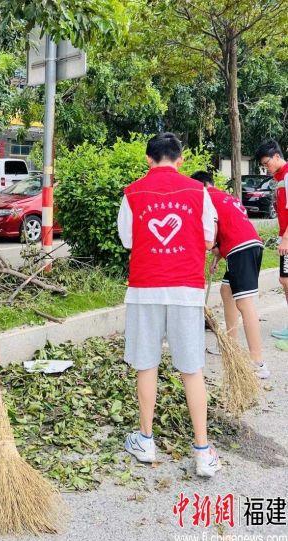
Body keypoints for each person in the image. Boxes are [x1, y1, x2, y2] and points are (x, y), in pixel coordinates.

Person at [117, 132, 221, 477]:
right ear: (180, 160)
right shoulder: (199, 192)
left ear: (148, 159)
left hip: (145, 289)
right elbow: (208, 239)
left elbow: (128, 240)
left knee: (146, 365)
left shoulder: (132, 193)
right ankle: (203, 451)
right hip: (187, 292)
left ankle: (146, 440)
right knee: (192, 370)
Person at [191, 171, 268, 378]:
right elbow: (229, 227)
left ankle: (257, 362)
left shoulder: (205, 197)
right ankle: (230, 345)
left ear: (201, 186)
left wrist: (213, 248)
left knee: (244, 303)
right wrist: (217, 257)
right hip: (250, 246)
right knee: (227, 291)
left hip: (240, 250)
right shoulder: (226, 197)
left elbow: (213, 230)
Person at [255, 139, 288, 352]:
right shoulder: (280, 178)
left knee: (285, 279)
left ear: (277, 156)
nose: (266, 167)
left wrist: (286, 239)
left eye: (267, 162)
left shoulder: (287, 176)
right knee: (284, 280)